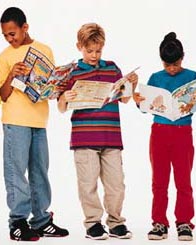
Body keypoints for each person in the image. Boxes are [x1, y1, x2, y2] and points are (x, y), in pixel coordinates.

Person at [57, 23, 137, 240]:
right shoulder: (72, 72)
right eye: (89, 50)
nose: (94, 55)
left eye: (98, 50)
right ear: (79, 47)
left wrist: (131, 84)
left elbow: (126, 98)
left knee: (116, 184)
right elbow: (61, 107)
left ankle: (116, 222)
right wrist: (65, 97)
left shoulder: (112, 68)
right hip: (84, 139)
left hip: (111, 137)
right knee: (88, 183)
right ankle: (93, 223)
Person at [0, 7, 69, 241]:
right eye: (6, 35)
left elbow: (52, 86)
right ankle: (17, 221)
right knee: (16, 171)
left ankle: (41, 220)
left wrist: (55, 87)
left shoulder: (44, 49)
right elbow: (3, 95)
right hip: (15, 120)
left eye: (13, 33)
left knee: (40, 170)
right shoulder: (4, 56)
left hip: (39, 120)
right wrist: (11, 76)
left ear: (25, 27)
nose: (10, 39)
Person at [133, 32, 196, 242]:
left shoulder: (192, 75)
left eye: (175, 64)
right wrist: (138, 101)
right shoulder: (156, 78)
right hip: (159, 132)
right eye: (167, 65)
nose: (172, 68)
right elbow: (144, 108)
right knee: (159, 181)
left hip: (183, 133)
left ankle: (184, 222)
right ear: (162, 61)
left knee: (183, 180)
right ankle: (159, 223)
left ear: (182, 58)